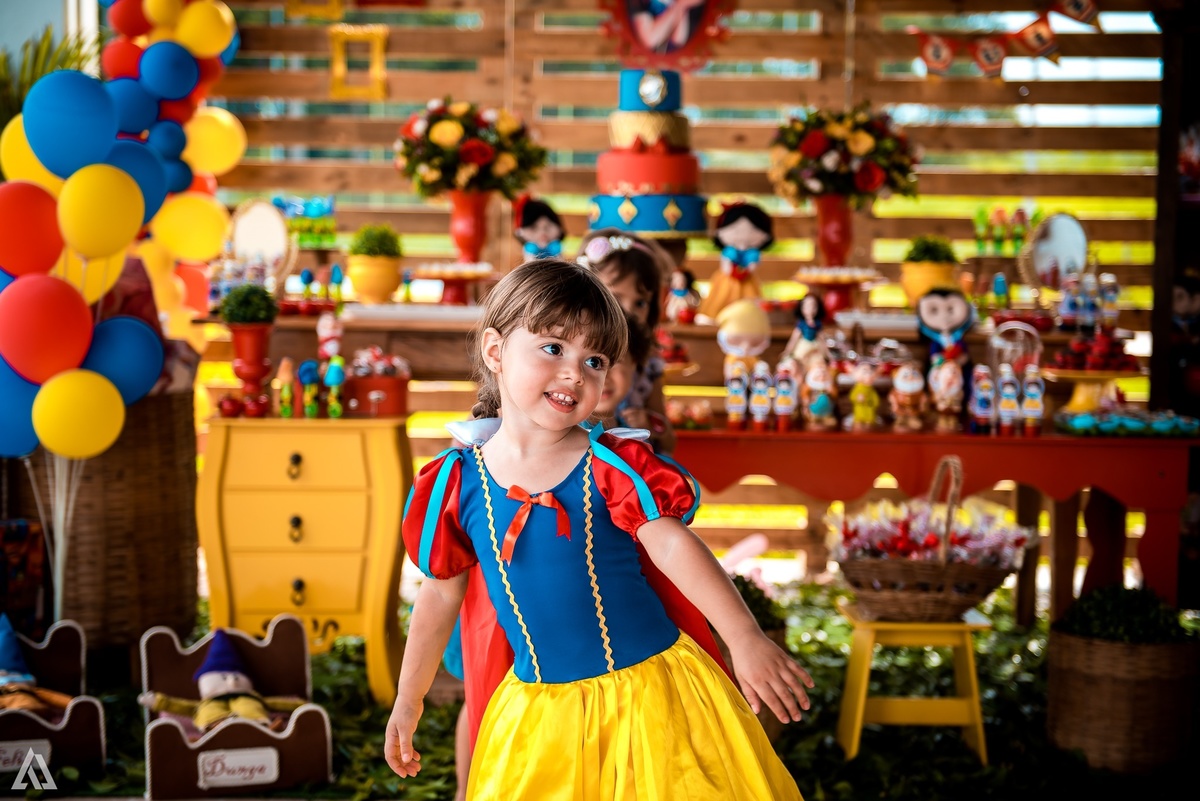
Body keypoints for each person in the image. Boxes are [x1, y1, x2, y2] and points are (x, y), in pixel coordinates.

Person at [386, 259, 811, 800]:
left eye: (595, 360)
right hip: (540, 713)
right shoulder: (454, 482)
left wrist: (744, 637)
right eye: (553, 348)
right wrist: (409, 698)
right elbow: (441, 595)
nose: (574, 373)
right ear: (495, 351)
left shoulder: (611, 467)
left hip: (649, 698)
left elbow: (674, 545)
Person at [578, 227, 678, 455]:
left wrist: (649, 427)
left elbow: (669, 440)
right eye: (615, 298)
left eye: (640, 303)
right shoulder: (573, 358)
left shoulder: (647, 364)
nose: (628, 312)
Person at [698, 202, 775, 321]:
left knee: (750, 300)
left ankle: (749, 320)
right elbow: (725, 264)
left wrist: (748, 269)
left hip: (747, 279)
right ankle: (713, 317)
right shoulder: (729, 252)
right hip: (726, 278)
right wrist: (731, 269)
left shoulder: (752, 254)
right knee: (720, 297)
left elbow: (753, 264)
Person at [595, 312, 655, 433]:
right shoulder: (566, 434)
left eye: (615, 362)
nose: (604, 376)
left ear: (633, 364)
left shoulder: (628, 426)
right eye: (593, 362)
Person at [630, 0, 707, 54]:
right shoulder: (639, 3)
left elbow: (678, 41)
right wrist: (679, 4)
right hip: (642, 68)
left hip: (673, 66)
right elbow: (649, 39)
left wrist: (682, 6)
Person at [513, 195, 564, 263]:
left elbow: (560, 262)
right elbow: (529, 263)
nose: (542, 233)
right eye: (534, 229)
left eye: (547, 228)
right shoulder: (531, 248)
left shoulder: (554, 247)